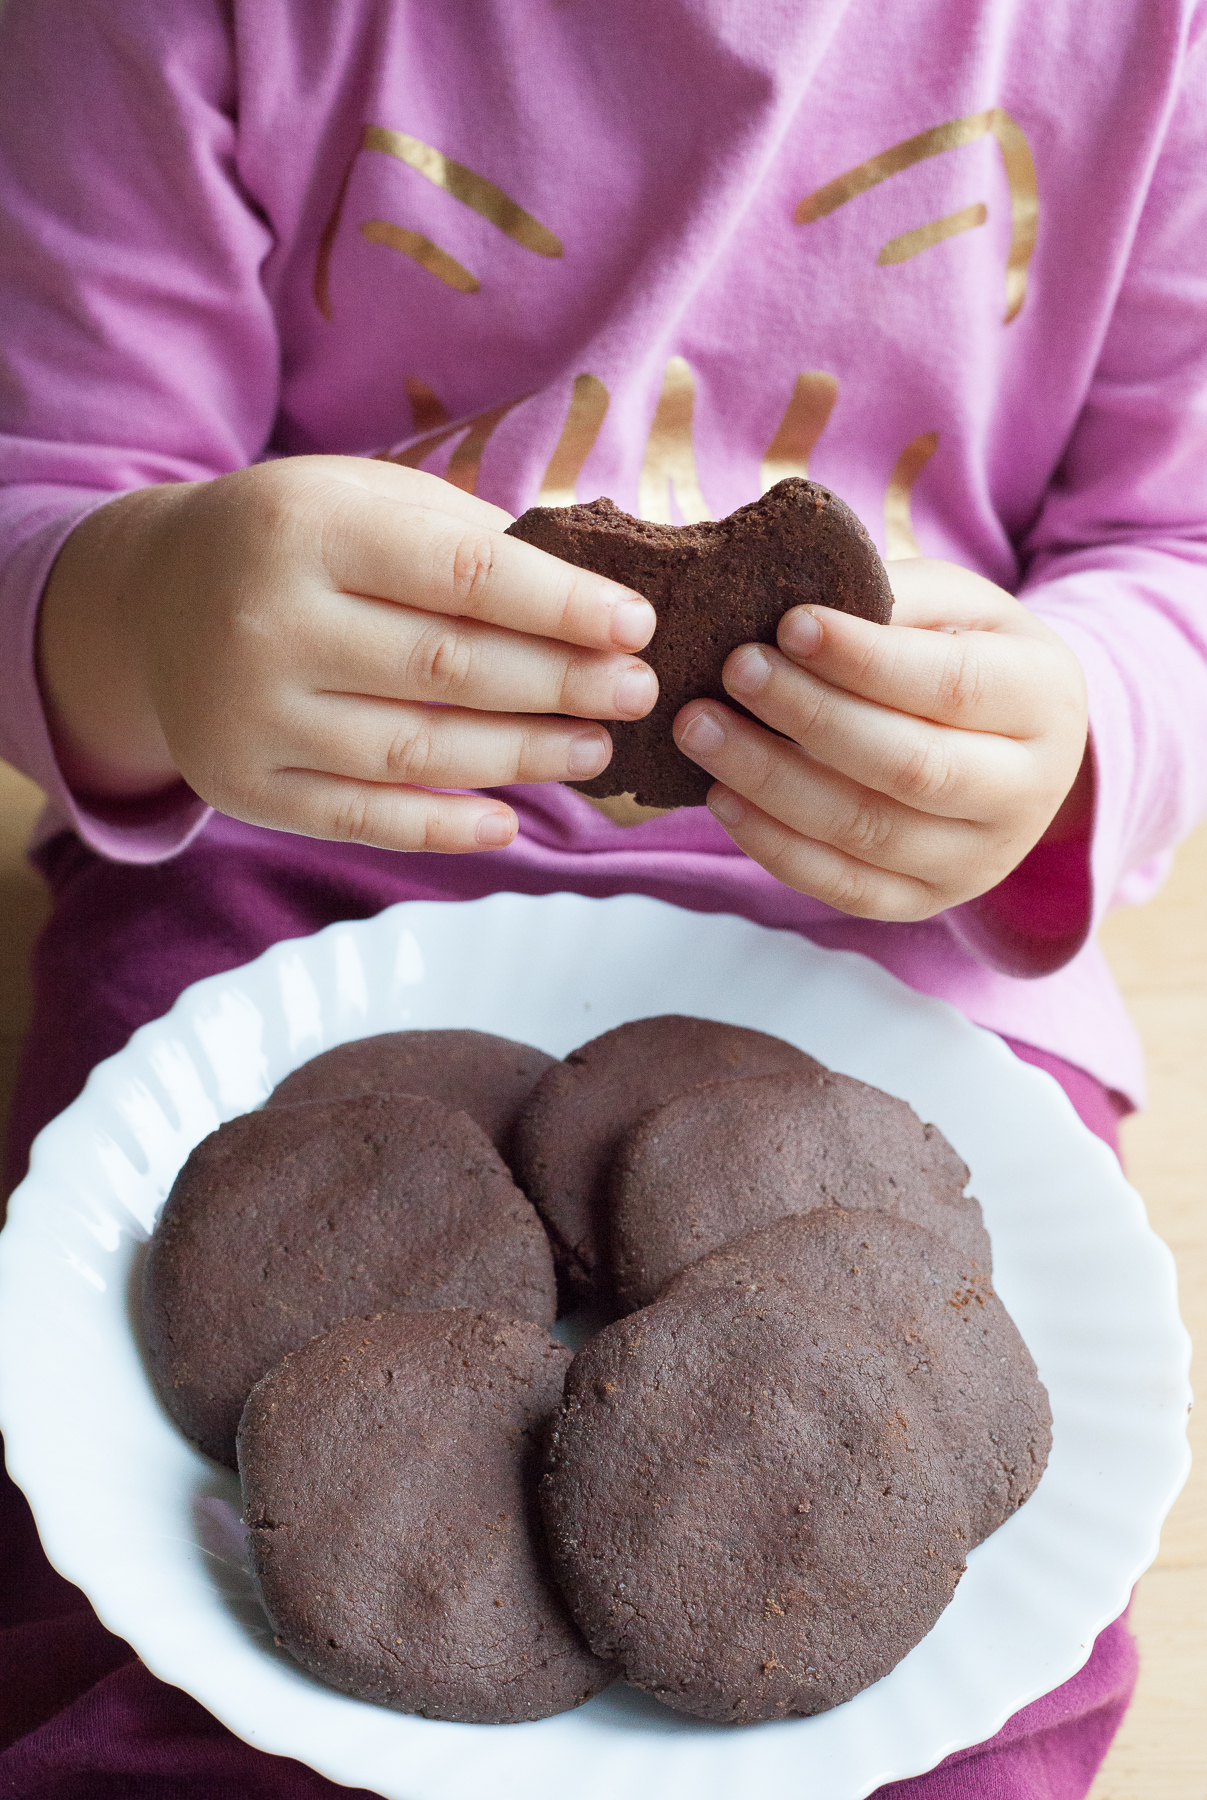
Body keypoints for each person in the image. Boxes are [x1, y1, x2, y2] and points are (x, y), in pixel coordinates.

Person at [1, 1, 1204, 1793]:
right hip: (284, 873)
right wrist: (156, 617)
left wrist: (1058, 746)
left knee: (983, 1701)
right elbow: (54, 490)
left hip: (901, 924)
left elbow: (1176, 551)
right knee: (113, 1629)